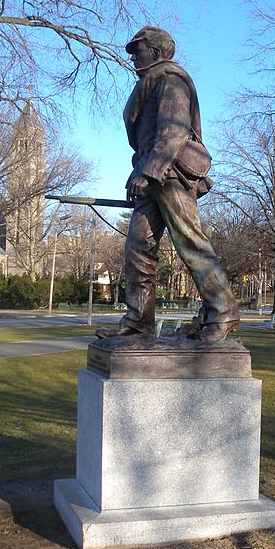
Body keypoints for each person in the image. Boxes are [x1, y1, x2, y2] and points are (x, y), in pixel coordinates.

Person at [95, 26, 239, 342]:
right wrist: (142, 173)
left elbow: (173, 131)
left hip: (170, 173)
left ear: (158, 52)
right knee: (138, 246)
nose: (132, 55)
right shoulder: (150, 83)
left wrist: (149, 172)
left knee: (189, 240)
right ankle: (138, 319)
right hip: (151, 172)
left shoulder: (171, 80)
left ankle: (223, 310)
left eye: (138, 49)